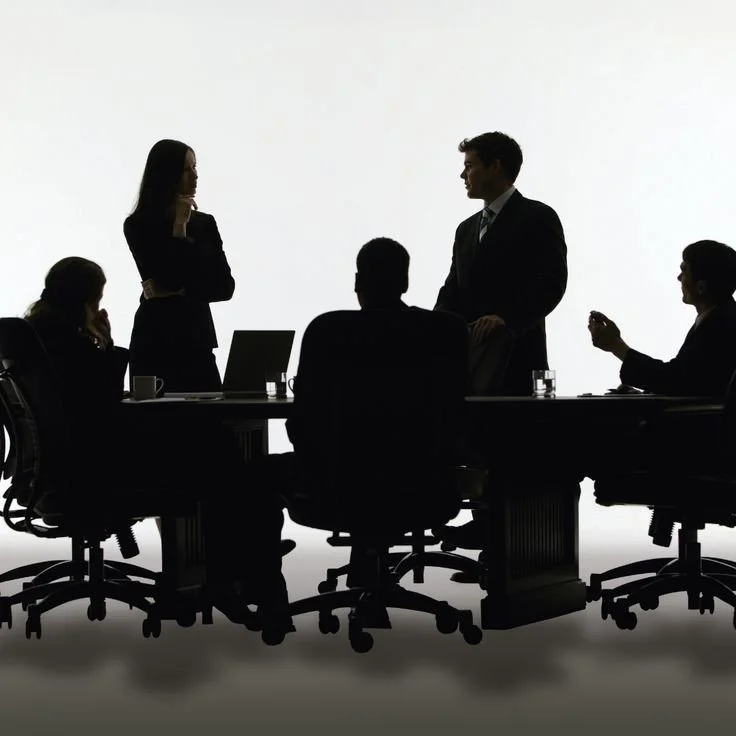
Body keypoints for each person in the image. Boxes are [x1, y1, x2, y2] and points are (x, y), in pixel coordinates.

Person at [25, 257, 292, 636]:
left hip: (58, 472)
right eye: (97, 299)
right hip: (91, 473)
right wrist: (106, 344)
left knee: (221, 464)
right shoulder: (68, 345)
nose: (99, 307)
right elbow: (100, 401)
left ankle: (237, 568)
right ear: (83, 301)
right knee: (227, 465)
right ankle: (242, 573)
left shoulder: (37, 340)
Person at [434, 131, 568, 396]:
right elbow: (452, 290)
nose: (463, 176)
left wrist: (507, 318)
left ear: (495, 166)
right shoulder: (465, 230)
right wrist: (436, 328)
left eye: (469, 166)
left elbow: (552, 283)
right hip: (472, 366)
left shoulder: (539, 217)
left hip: (523, 363)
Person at [124, 139, 235, 392]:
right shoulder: (138, 225)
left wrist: (182, 291)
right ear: (167, 174)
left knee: (209, 421)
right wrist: (179, 226)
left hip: (196, 338)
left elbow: (225, 287)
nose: (195, 176)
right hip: (154, 338)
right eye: (187, 170)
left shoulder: (205, 223)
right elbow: (170, 277)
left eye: (195, 167)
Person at [589, 240, 736, 397]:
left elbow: (676, 380)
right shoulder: (720, 318)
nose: (679, 278)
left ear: (701, 287)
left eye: (684, 272)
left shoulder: (719, 327)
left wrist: (616, 346)